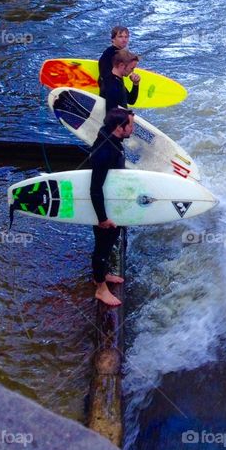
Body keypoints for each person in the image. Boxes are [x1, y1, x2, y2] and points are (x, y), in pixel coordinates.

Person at [90, 108, 134, 306]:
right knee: (102, 246)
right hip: (102, 207)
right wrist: (102, 219)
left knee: (109, 242)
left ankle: (103, 274)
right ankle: (100, 289)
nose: (133, 128)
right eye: (130, 125)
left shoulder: (112, 140)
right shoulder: (105, 151)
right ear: (119, 128)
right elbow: (95, 188)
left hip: (111, 203)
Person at [97, 26, 130, 91]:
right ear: (113, 39)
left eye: (126, 37)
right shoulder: (113, 54)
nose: (124, 40)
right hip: (111, 89)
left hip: (108, 86)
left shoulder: (110, 51)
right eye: (120, 37)